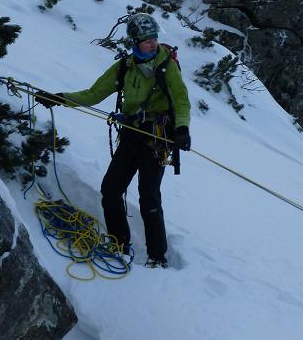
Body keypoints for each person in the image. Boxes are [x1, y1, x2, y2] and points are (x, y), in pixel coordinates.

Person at [36, 13, 190, 268]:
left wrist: (182, 129)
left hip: (156, 138)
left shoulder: (167, 66)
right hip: (131, 135)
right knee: (111, 189)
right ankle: (120, 244)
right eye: (146, 40)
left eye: (154, 39)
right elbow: (94, 93)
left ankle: (157, 256)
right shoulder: (124, 67)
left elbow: (181, 100)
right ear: (135, 42)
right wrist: (60, 98)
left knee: (149, 197)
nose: (152, 44)